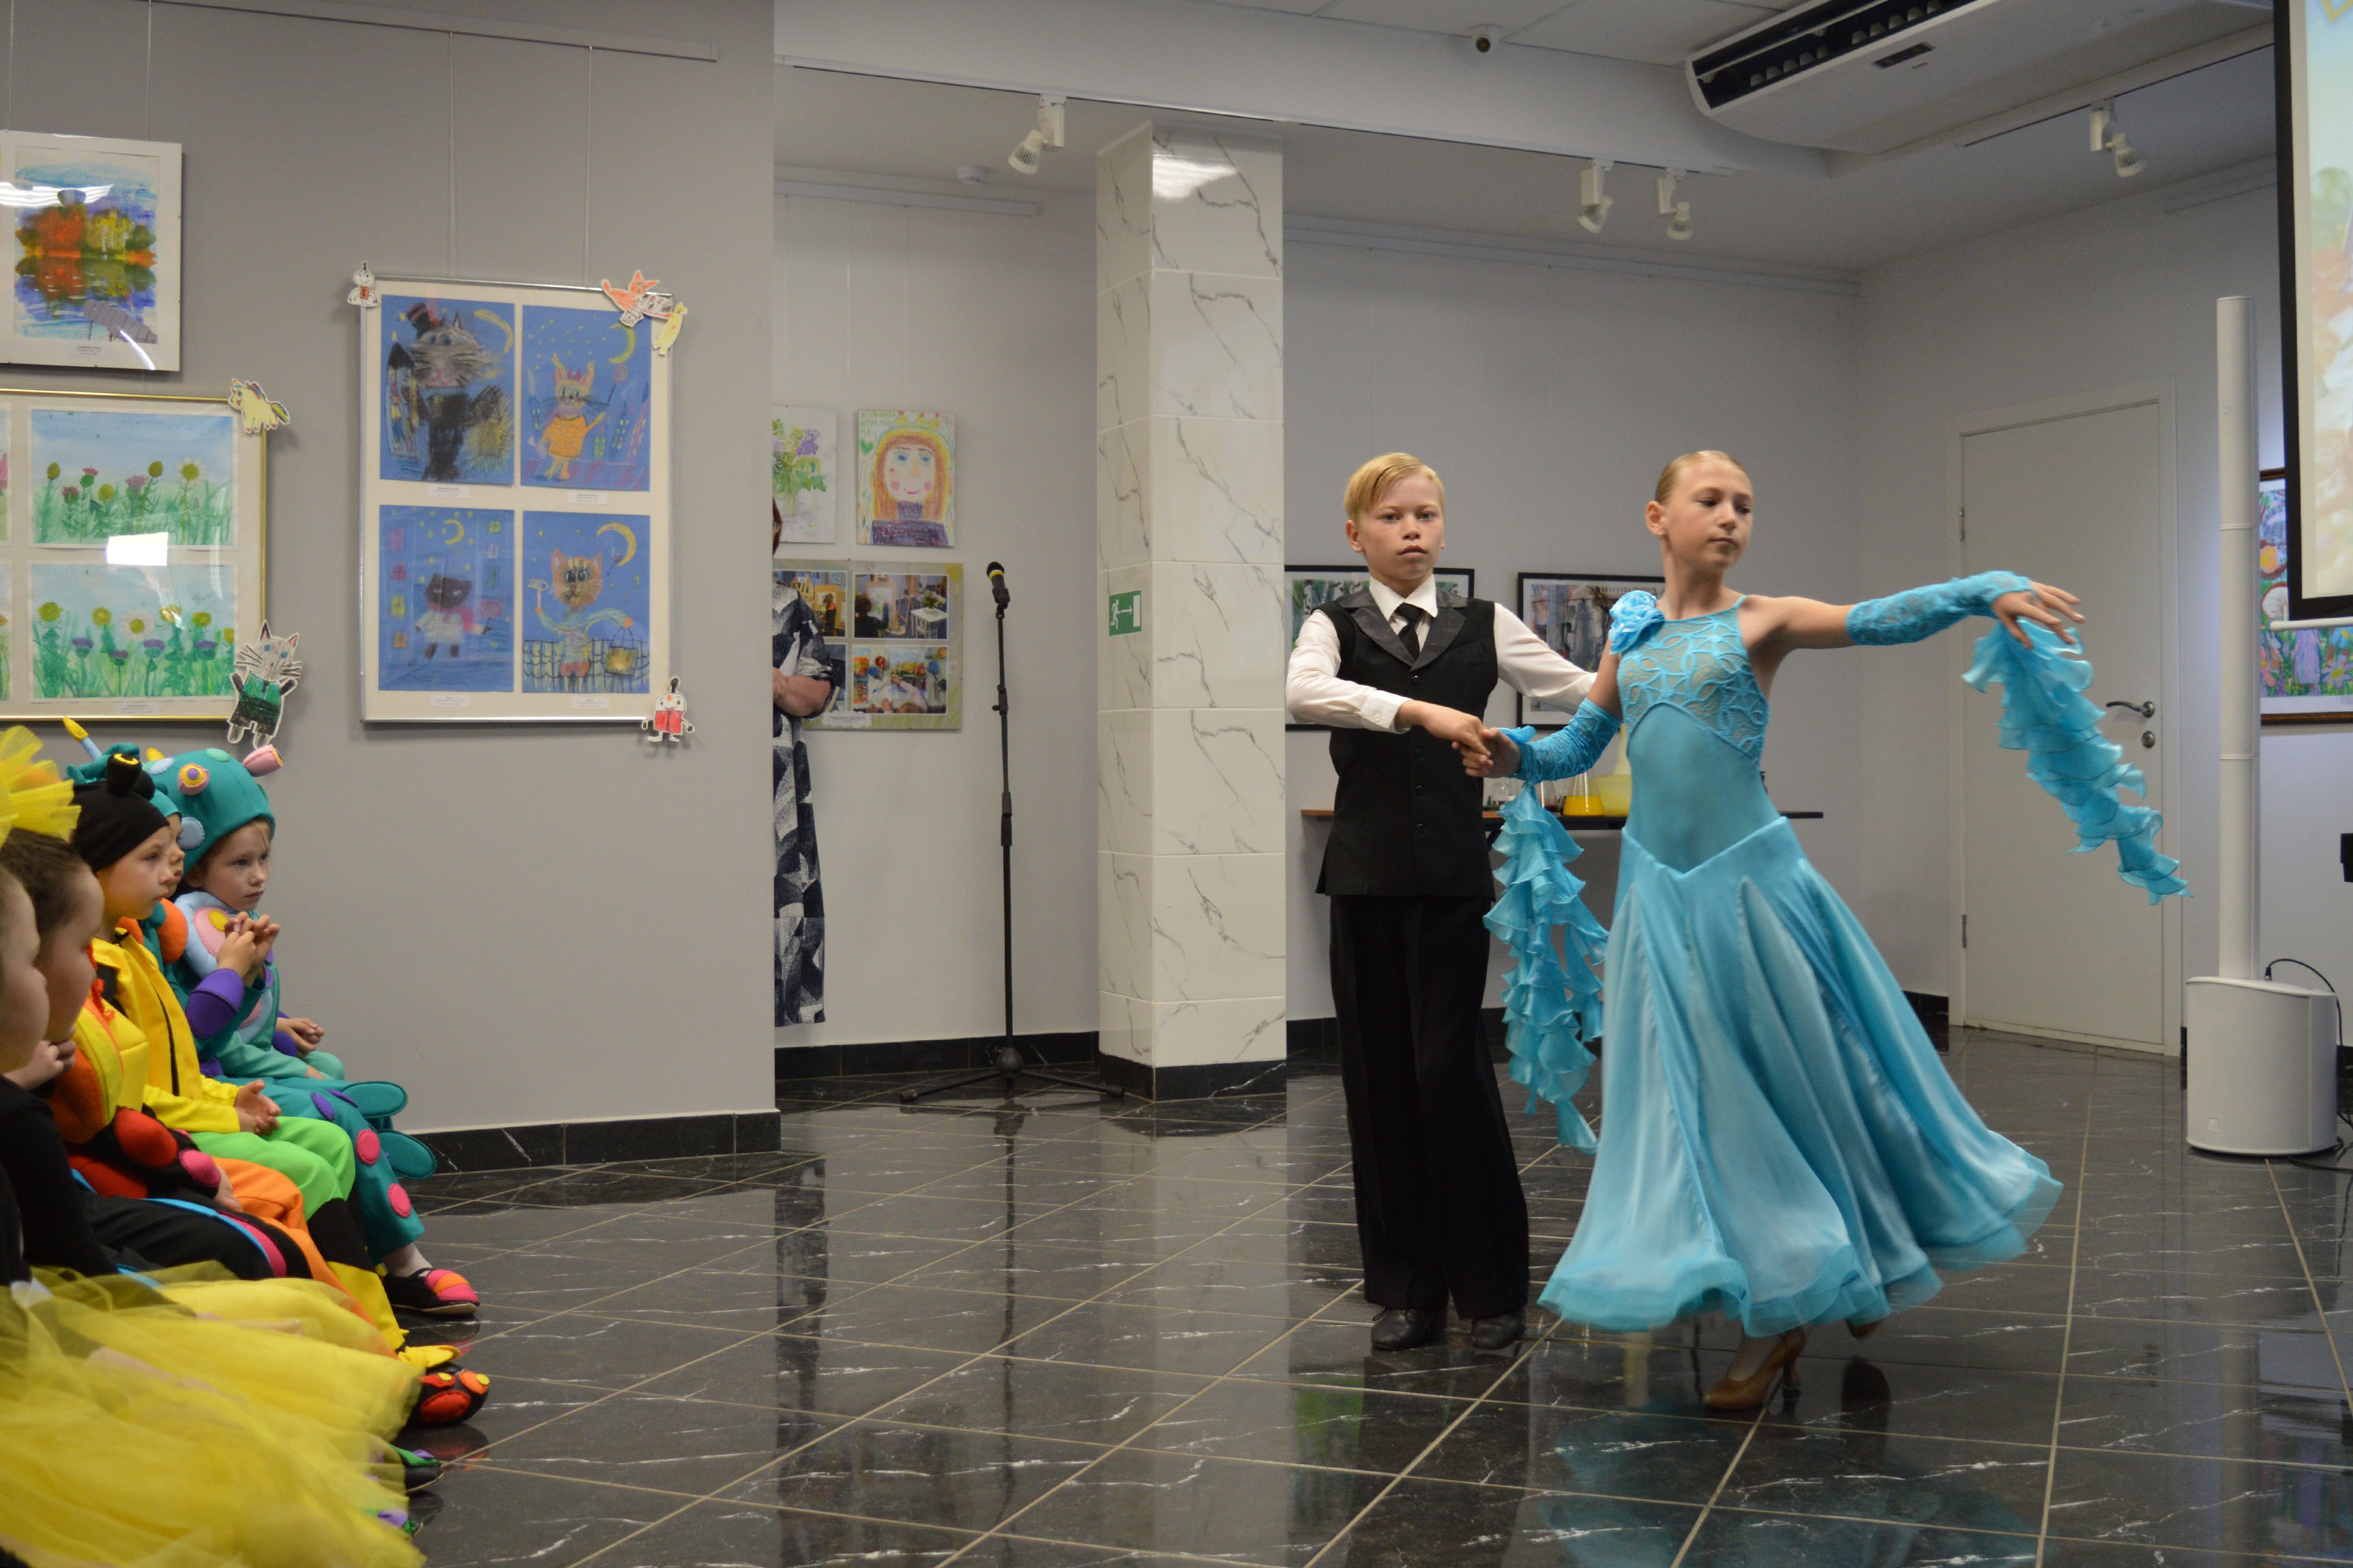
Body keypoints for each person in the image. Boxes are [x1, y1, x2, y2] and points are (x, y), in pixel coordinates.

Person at [1464, 450, 2182, 1407]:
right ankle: (1810, 1274)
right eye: (1710, 500)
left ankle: (1803, 1295)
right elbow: (1579, 745)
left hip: (1751, 890)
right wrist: (1510, 754)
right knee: (1693, 1101)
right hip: (1657, 896)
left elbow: (1876, 618)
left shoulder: (1762, 620)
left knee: (1806, 1084)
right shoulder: (1630, 630)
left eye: (1744, 504)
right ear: (1657, 516)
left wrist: (1978, 590)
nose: (1730, 517)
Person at [1285, 452, 1596, 1353]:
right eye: (1391, 517)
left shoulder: (1485, 624)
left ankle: (1491, 1289)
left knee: (1450, 1074)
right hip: (1364, 882)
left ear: (1443, 527)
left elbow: (1581, 690)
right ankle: (1407, 1291)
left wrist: (1658, 680)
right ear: (1357, 534)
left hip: (1455, 883)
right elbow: (1303, 691)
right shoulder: (1332, 623)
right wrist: (1419, 713)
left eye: (1424, 514)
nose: (1411, 530)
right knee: (1379, 1080)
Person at [774, 508, 836, 1025]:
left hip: (777, 787)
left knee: (782, 897)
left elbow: (815, 695)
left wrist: (773, 683)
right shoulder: (696, 596)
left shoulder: (790, 606)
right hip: (698, 773)